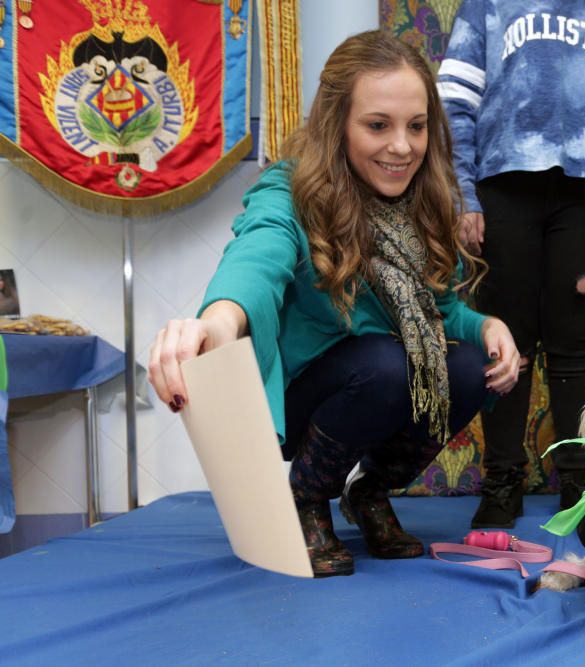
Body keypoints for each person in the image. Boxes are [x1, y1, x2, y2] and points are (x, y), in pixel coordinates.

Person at [148, 31, 520, 577]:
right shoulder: (291, 191)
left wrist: (487, 326)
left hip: (375, 382)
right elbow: (258, 257)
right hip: (307, 399)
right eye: (377, 125)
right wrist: (219, 319)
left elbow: (442, 312)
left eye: (416, 126)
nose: (402, 147)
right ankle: (306, 497)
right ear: (337, 123)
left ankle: (369, 492)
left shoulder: (424, 202)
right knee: (385, 363)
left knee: (466, 365)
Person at [438, 0, 585, 529]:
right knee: (505, 340)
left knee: (576, 344)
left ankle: (578, 481)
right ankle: (502, 479)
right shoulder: (486, 5)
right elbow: (452, 101)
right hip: (503, 188)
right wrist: (464, 192)